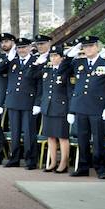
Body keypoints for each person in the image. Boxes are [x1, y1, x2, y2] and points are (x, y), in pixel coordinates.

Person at [66, 36, 105, 179]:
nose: (88, 49)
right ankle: (83, 167)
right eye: (85, 47)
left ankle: (101, 169)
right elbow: (63, 70)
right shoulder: (78, 63)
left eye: (91, 46)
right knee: (82, 138)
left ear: (97, 47)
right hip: (81, 107)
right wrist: (71, 53)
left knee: (99, 139)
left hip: (98, 108)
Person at [34, 44, 73, 172]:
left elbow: (69, 92)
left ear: (62, 57)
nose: (53, 58)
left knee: (62, 137)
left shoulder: (66, 71)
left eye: (56, 55)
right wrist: (37, 63)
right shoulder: (47, 70)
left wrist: (70, 110)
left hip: (61, 108)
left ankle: (63, 162)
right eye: (51, 56)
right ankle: (52, 162)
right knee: (50, 136)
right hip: (48, 107)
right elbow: (31, 75)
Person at [3, 37, 39, 169]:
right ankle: (14, 158)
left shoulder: (36, 61)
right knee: (15, 132)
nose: (21, 50)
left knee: (29, 133)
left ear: (30, 48)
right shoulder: (12, 61)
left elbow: (39, 84)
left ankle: (30, 160)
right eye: (19, 48)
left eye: (24, 47)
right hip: (13, 101)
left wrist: (37, 103)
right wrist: (9, 57)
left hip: (28, 101)